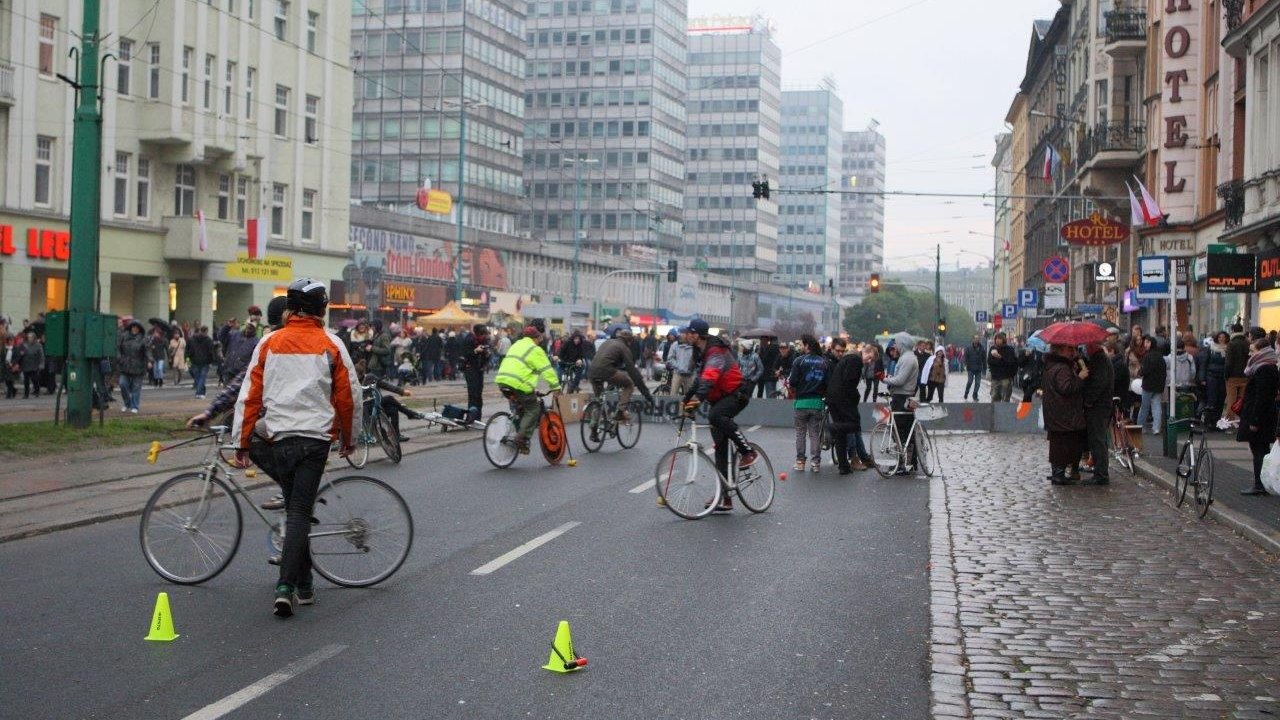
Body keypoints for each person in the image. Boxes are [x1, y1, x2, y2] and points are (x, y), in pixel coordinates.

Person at [232, 279, 360, 618]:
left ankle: (303, 586)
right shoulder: (331, 344)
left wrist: (242, 442)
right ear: (320, 308)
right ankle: (286, 587)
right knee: (299, 511)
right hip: (316, 441)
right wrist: (349, 438)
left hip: (280, 438)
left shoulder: (269, 343)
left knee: (295, 507)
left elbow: (249, 397)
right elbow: (349, 398)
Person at [681, 319, 756, 511]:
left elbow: (709, 377)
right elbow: (700, 380)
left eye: (688, 333)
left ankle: (748, 451)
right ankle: (725, 498)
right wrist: (686, 400)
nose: (685, 336)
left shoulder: (716, 351)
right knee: (720, 451)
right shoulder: (702, 352)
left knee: (715, 416)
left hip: (737, 394)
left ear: (696, 334)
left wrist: (697, 400)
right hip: (720, 398)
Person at [495, 320, 562, 453]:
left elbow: (521, 367)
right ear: (535, 338)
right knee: (533, 409)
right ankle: (521, 438)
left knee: (522, 406)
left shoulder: (516, 345)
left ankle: (516, 428)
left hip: (503, 380)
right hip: (518, 383)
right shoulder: (535, 349)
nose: (540, 341)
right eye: (539, 338)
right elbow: (547, 370)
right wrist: (556, 387)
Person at [1041, 343, 1088, 484]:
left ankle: (1057, 472)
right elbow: (1066, 388)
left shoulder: (1052, 365)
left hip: (1055, 412)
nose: (1073, 351)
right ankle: (1059, 474)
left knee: (1057, 444)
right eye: (1070, 348)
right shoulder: (1062, 368)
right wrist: (1080, 377)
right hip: (1064, 413)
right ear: (1061, 349)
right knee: (1064, 445)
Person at [587, 324, 654, 423]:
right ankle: (620, 412)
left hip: (592, 371)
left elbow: (606, 358)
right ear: (629, 341)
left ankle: (594, 429)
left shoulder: (608, 342)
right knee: (629, 384)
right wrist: (646, 394)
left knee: (598, 400)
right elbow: (633, 372)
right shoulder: (624, 347)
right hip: (606, 371)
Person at [1236, 338, 1277, 497]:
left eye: (1252, 350)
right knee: (1261, 449)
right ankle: (1262, 483)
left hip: (1259, 416)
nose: (1249, 353)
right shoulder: (1267, 365)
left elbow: (1262, 397)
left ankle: (1259, 484)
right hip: (1262, 414)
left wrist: (1255, 420)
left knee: (1259, 449)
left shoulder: (1264, 368)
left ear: (1262, 351)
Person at [826, 338, 873, 474]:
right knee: (853, 425)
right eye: (869, 358)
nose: (869, 362)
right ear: (865, 352)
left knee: (842, 433)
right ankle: (852, 457)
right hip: (843, 399)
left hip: (834, 398)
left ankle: (844, 466)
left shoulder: (846, 359)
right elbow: (849, 382)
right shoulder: (855, 360)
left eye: (842, 351)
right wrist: (855, 396)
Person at [789, 334, 830, 473]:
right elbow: (827, 383)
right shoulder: (824, 362)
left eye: (802, 344)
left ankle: (800, 462)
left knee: (800, 433)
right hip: (817, 403)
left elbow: (793, 381)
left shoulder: (799, 361)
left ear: (807, 345)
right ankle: (815, 463)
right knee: (814, 433)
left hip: (801, 402)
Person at [883, 332, 920, 475]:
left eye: (897, 343)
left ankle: (903, 463)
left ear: (902, 344)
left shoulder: (907, 359)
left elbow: (900, 380)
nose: (895, 346)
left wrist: (885, 379)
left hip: (902, 397)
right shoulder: (908, 357)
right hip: (904, 396)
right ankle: (909, 462)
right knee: (905, 431)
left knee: (900, 431)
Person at [1080, 341, 1115, 485]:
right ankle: (1099, 470)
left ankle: (1101, 474)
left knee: (1098, 439)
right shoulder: (1099, 359)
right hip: (1100, 405)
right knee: (1097, 439)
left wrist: (1089, 400)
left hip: (1099, 406)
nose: (1086, 348)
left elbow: (1099, 383)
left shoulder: (1100, 359)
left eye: (1087, 346)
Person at [459, 324, 491, 423]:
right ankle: (471, 418)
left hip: (479, 369)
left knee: (479, 393)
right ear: (477, 334)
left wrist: (487, 355)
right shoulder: (468, 340)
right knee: (473, 394)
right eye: (483, 335)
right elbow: (464, 354)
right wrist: (475, 351)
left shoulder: (484, 341)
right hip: (470, 369)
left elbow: (486, 354)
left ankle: (478, 418)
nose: (484, 337)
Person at [116, 321, 150, 412]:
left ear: (139, 329)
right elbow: (117, 348)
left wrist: (150, 360)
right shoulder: (124, 336)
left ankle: (134, 406)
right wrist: (119, 358)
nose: (134, 329)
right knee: (123, 384)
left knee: (136, 387)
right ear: (130, 327)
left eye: (137, 327)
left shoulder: (143, 338)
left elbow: (147, 351)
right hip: (125, 365)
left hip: (138, 366)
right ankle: (127, 403)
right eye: (133, 327)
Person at [1135, 335, 1166, 435]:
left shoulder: (1147, 356)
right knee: (1156, 406)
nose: (1145, 344)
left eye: (1147, 342)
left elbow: (1145, 370)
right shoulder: (1160, 356)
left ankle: (1140, 426)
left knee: (1145, 406)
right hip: (1158, 385)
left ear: (1151, 343)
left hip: (1148, 385)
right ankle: (1156, 427)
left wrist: (1139, 372)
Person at [1202, 331, 1229, 426]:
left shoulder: (1228, 349)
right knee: (1212, 399)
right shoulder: (1211, 348)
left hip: (1222, 377)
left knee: (1221, 400)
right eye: (1220, 337)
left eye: (1223, 337)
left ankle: (1217, 422)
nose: (1221, 339)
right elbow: (1205, 363)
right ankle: (1209, 421)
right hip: (1211, 376)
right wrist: (1203, 378)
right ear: (1217, 338)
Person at [1224, 324, 1249, 421]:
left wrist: (1226, 375)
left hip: (1232, 376)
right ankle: (1243, 420)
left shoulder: (1231, 344)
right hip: (1245, 376)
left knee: (1231, 400)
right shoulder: (1247, 343)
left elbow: (1228, 362)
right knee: (1242, 400)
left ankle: (1229, 421)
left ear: (1233, 330)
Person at [187, 326, 216, 399]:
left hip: (194, 360)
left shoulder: (192, 339)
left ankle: (202, 392)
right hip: (205, 361)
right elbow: (211, 351)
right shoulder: (208, 340)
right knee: (202, 377)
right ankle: (199, 392)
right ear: (206, 331)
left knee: (198, 377)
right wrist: (212, 361)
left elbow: (188, 351)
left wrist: (187, 360)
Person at [988, 333, 1018, 402]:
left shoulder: (1009, 349)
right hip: (995, 377)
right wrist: (992, 370)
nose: (997, 340)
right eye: (996, 339)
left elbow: (1011, 362)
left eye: (999, 339)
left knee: (1005, 398)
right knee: (994, 397)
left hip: (1006, 377)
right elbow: (989, 361)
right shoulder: (993, 349)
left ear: (1003, 340)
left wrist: (1000, 357)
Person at [15, 331, 45, 398]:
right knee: (26, 381)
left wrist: (41, 364)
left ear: (34, 338)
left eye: (31, 337)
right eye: (28, 337)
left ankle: (37, 391)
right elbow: (19, 354)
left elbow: (41, 356)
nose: (29, 338)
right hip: (25, 365)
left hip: (34, 365)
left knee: (35, 379)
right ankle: (26, 394)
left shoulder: (38, 345)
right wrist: (20, 355)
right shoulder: (24, 345)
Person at [669, 328, 696, 398]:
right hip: (678, 373)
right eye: (681, 334)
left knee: (689, 396)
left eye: (685, 334)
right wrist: (678, 366)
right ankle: (672, 407)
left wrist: (694, 366)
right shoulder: (675, 345)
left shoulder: (694, 346)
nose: (682, 336)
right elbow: (670, 358)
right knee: (673, 394)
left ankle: (687, 408)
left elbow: (699, 358)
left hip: (690, 375)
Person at [963, 335, 987, 401]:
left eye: (978, 339)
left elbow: (984, 358)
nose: (977, 340)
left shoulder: (982, 348)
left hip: (978, 368)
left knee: (978, 383)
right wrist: (966, 364)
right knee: (970, 381)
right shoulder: (968, 348)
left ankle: (975, 395)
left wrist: (985, 367)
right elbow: (965, 357)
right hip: (970, 368)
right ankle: (966, 392)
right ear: (973, 339)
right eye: (975, 339)